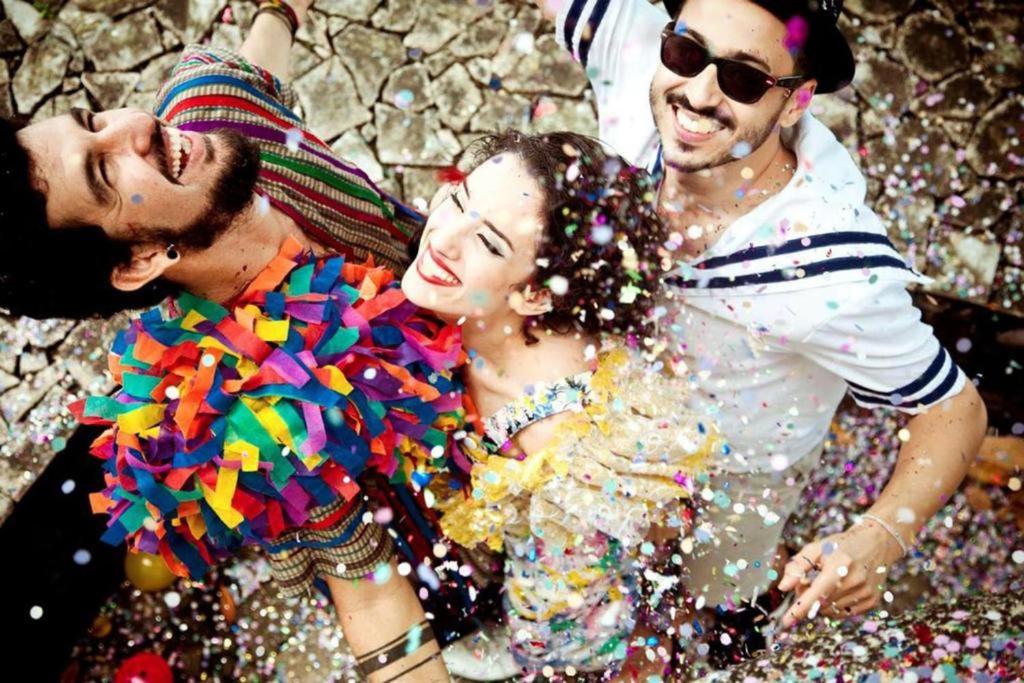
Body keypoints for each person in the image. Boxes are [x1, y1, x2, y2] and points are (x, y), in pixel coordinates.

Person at [0, 1, 485, 679]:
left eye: (94, 119)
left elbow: (256, 64)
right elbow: (374, 601)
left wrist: (277, 10)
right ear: (140, 262)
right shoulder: (247, 402)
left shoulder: (209, 98)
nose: (138, 125)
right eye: (105, 173)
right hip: (462, 524)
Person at [537, 0, 988, 664]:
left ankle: (725, 622)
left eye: (743, 80)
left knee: (708, 599)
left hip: (740, 475)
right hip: (611, 417)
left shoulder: (830, 272)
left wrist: (875, 539)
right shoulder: (642, 62)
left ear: (799, 98)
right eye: (688, 53)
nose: (696, 93)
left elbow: (953, 408)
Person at [402, 129, 721, 680]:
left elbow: (635, 558)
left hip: (573, 607)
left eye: (491, 243)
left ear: (536, 294)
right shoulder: (475, 310)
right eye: (457, 199)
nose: (443, 238)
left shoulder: (566, 436)